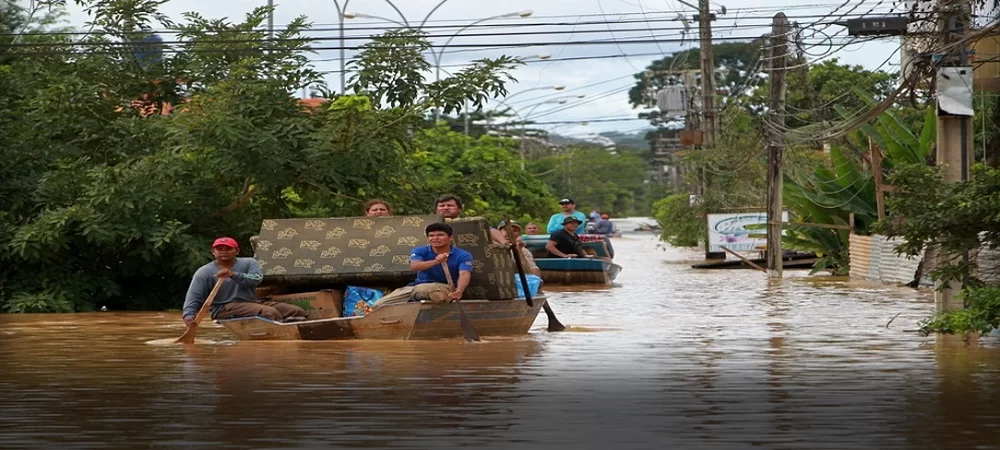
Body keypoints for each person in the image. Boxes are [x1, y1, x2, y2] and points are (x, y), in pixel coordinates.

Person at [182, 237, 307, 327]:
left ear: (237, 251)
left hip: (250, 302)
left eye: (228, 248)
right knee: (269, 312)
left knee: (296, 311)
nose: (224, 251)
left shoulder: (249, 262)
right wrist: (188, 315)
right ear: (213, 252)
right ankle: (272, 336)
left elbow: (257, 279)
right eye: (219, 249)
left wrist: (234, 275)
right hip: (224, 308)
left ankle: (296, 333)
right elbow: (194, 296)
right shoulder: (204, 272)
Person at [372, 223, 473, 308]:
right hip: (417, 287)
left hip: (446, 288)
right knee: (379, 305)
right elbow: (415, 266)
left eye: (440, 235)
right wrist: (436, 261)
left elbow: (464, 274)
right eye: (431, 236)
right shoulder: (420, 250)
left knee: (426, 291)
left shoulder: (463, 255)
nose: (435, 238)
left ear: (450, 238)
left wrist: (459, 291)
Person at [434, 193, 508, 244]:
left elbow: (490, 230)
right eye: (442, 206)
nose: (445, 208)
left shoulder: (470, 223)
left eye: (450, 205)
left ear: (459, 209)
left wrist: (503, 242)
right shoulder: (429, 225)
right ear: (436, 210)